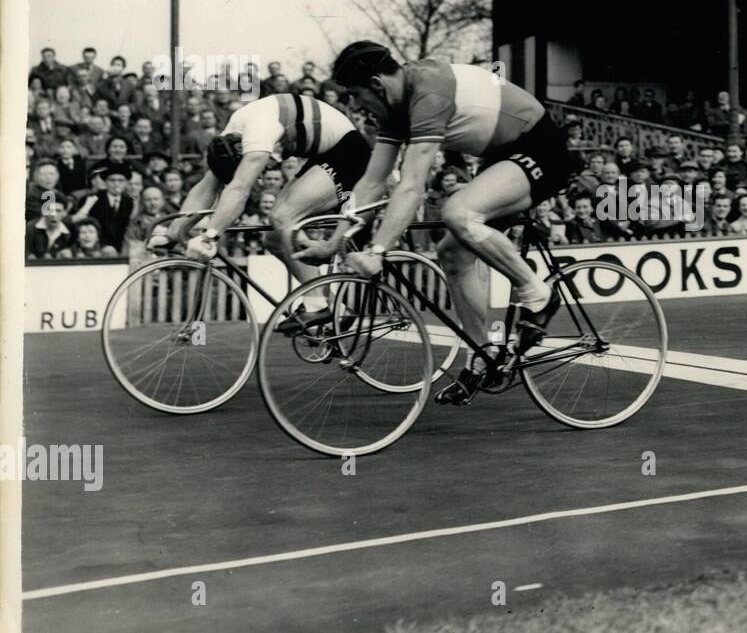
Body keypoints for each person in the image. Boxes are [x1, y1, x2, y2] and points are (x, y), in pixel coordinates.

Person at [328, 41, 572, 407]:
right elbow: (372, 181)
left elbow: (412, 185)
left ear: (378, 84)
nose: (356, 106)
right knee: (453, 255)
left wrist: (378, 250)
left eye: (357, 95)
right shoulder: (395, 106)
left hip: (540, 149)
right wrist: (335, 241)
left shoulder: (428, 92)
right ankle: (482, 354)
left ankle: (538, 295)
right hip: (502, 155)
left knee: (458, 213)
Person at [162, 90, 372, 300]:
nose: (261, 176)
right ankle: (332, 305)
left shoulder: (257, 136)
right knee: (273, 239)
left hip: (347, 149)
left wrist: (209, 237)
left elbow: (239, 189)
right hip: (323, 151)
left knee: (282, 216)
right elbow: (206, 187)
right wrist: (171, 234)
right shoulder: (230, 140)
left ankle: (317, 302)